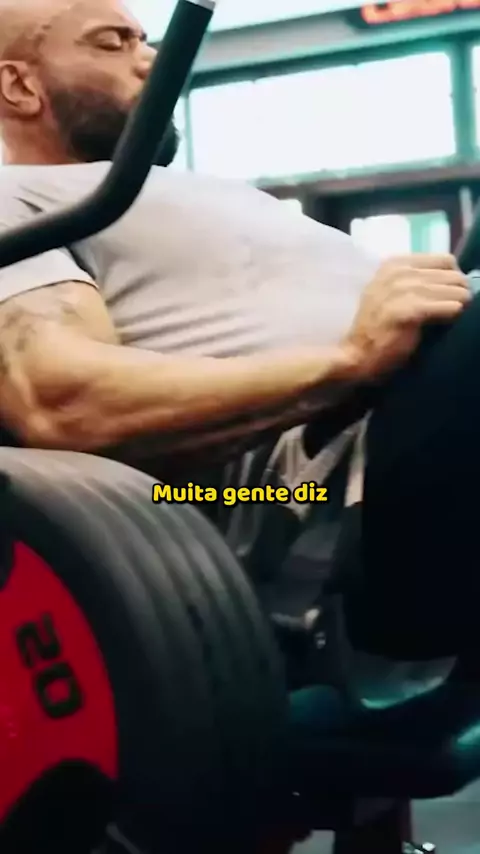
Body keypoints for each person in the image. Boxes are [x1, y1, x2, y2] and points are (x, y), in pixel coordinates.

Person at [0, 0, 475, 661]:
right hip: (325, 481)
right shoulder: (17, 202)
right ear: (19, 85)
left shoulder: (177, 193)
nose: (150, 60)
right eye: (111, 43)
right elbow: (62, 403)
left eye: (145, 39)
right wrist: (350, 360)